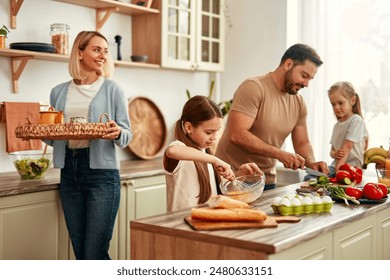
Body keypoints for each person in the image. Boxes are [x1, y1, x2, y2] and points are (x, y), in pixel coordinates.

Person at [45, 31, 132, 259]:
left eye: (105, 50)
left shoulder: (113, 89)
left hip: (102, 175)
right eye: (96, 49)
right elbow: (55, 137)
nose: (102, 55)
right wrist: (43, 128)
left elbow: (127, 134)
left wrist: (117, 132)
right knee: (81, 253)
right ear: (79, 52)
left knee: (94, 253)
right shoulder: (58, 92)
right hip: (68, 173)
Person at [215, 43, 329, 190]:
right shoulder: (254, 88)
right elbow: (236, 134)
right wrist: (280, 154)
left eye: (310, 79)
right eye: (304, 76)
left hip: (266, 181)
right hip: (232, 178)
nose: (306, 84)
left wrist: (311, 162)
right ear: (288, 64)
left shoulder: (299, 103)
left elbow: (302, 143)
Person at [163, 95, 261, 212]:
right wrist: (214, 160)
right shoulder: (179, 148)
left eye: (217, 131)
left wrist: (239, 174)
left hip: (203, 221)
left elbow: (219, 188)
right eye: (209, 132)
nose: (214, 137)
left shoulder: (204, 153)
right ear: (189, 127)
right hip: (179, 224)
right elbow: (171, 151)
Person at [327, 81, 368, 176]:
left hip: (351, 168)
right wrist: (335, 153)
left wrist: (338, 171)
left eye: (340, 103)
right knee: (310, 176)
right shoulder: (337, 125)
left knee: (312, 178)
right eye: (333, 104)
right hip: (336, 166)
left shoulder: (356, 120)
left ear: (353, 100)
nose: (336, 107)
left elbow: (347, 147)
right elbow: (332, 151)